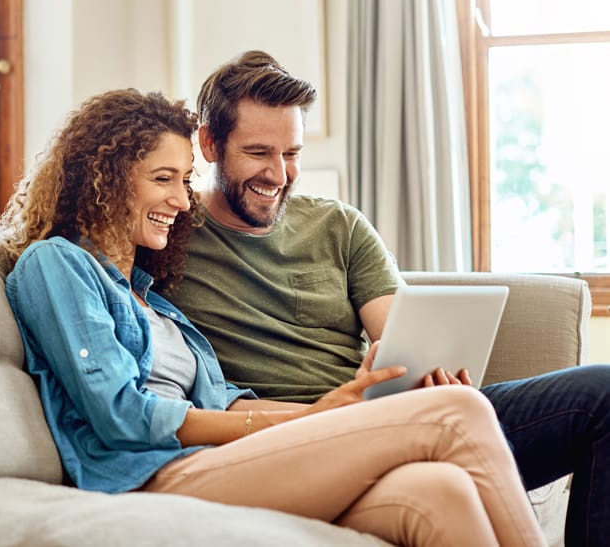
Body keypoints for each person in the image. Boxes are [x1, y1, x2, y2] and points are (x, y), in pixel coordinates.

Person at [0, 88, 544, 547]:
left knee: (441, 491)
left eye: (184, 181)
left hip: (212, 461)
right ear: (107, 177)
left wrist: (329, 410)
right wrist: (288, 423)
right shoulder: (58, 264)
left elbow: (223, 401)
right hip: (144, 477)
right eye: (162, 179)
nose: (182, 202)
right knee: (454, 409)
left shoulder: (153, 298)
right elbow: (122, 415)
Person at [162, 50, 610, 547]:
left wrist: (429, 372)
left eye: (291, 154)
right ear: (208, 143)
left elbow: (400, 339)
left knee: (601, 395)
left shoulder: (338, 225)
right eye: (258, 152)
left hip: (396, 412)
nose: (278, 174)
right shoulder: (166, 238)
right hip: (297, 436)